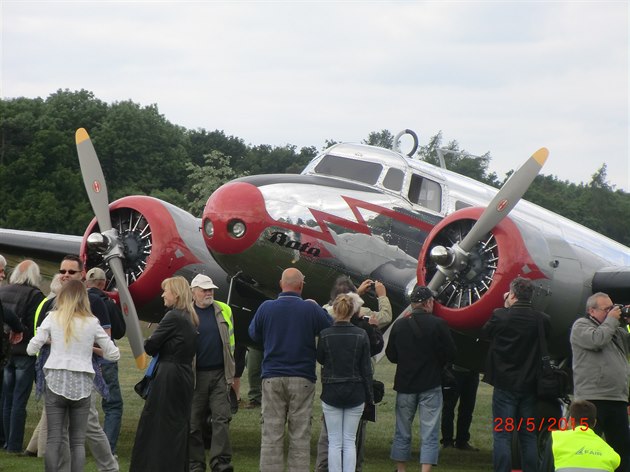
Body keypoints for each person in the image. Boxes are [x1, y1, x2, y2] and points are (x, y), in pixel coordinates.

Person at [26, 279, 120, 472]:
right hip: (83, 384)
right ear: (84, 298)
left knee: (54, 438)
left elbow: (31, 348)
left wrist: (52, 342)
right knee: (77, 442)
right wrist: (91, 348)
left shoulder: (52, 318)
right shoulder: (92, 322)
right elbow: (114, 354)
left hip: (55, 381)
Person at [248, 267, 333, 472]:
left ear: (280, 284)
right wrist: (317, 308)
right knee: (300, 434)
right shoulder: (310, 309)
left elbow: (253, 335)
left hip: (272, 376)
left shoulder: (266, 308)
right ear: (301, 285)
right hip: (302, 376)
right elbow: (329, 327)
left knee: (271, 433)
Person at [130, 276, 198, 472]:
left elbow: (151, 346)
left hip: (169, 374)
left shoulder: (174, 316)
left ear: (175, 294)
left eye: (165, 291)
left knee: (159, 423)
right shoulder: (190, 316)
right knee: (176, 424)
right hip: (183, 374)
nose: (162, 295)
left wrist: (144, 341)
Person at [316, 276, 384, 472]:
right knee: (349, 440)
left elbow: (321, 358)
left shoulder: (326, 333)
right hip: (355, 392)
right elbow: (365, 368)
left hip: (332, 391)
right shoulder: (362, 334)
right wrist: (369, 398)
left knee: (335, 441)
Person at [482, 277, 550, 472]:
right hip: (529, 384)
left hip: (504, 383)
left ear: (512, 294)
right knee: (527, 434)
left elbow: (486, 332)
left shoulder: (501, 316)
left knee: (502, 433)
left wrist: (505, 306)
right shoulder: (542, 320)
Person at [386, 285, 456, 472]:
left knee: (402, 430)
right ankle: (425, 469)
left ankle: (401, 469)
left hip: (405, 383)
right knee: (430, 432)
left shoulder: (400, 325)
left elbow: (391, 355)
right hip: (430, 383)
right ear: (427, 303)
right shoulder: (438, 325)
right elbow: (451, 353)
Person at [570, 292, 630, 472]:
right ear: (591, 310)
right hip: (591, 400)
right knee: (586, 449)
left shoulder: (616, 331)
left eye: (612, 308)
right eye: (606, 309)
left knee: (622, 450)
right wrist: (612, 320)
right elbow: (597, 340)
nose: (611, 312)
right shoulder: (581, 326)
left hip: (617, 399)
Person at [188, 274, 235, 472]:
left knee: (221, 419)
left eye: (211, 289)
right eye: (204, 289)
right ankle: (195, 463)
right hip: (195, 376)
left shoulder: (224, 309)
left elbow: (231, 342)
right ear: (193, 292)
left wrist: (231, 372)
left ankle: (220, 462)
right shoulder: (185, 313)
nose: (209, 293)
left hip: (219, 374)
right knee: (193, 422)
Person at [0, 259, 45, 453]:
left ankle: (4, 440)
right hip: (24, 352)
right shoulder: (35, 295)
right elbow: (34, 326)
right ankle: (15, 444)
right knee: (19, 400)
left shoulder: (3, 291)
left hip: (6, 352)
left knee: (5, 398)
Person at [85, 267, 123, 457]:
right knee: (113, 405)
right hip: (104, 358)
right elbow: (121, 330)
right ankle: (108, 450)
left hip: (83, 357)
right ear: (103, 284)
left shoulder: (78, 300)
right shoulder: (107, 302)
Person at [24, 274, 62, 458]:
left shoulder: (44, 302)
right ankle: (44, 451)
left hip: (41, 357)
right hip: (51, 359)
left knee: (49, 407)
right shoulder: (55, 306)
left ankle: (32, 447)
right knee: (51, 410)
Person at [540, 400, 621, 471]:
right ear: (594, 423)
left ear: (570, 421)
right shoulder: (610, 452)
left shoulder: (557, 438)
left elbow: (546, 468)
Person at [440, 364, 480, 451]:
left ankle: (462, 441)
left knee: (468, 408)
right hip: (454, 371)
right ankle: (447, 441)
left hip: (472, 371)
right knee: (449, 407)